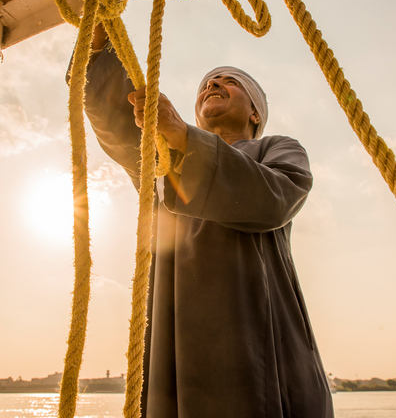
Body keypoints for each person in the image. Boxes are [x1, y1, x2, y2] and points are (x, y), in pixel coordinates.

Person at [79, 23, 334, 417]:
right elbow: (120, 124)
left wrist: (184, 137)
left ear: (254, 112)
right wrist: (100, 47)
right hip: (176, 353)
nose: (214, 82)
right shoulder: (163, 159)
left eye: (230, 81)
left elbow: (275, 199)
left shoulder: (278, 149)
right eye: (207, 82)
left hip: (261, 353)